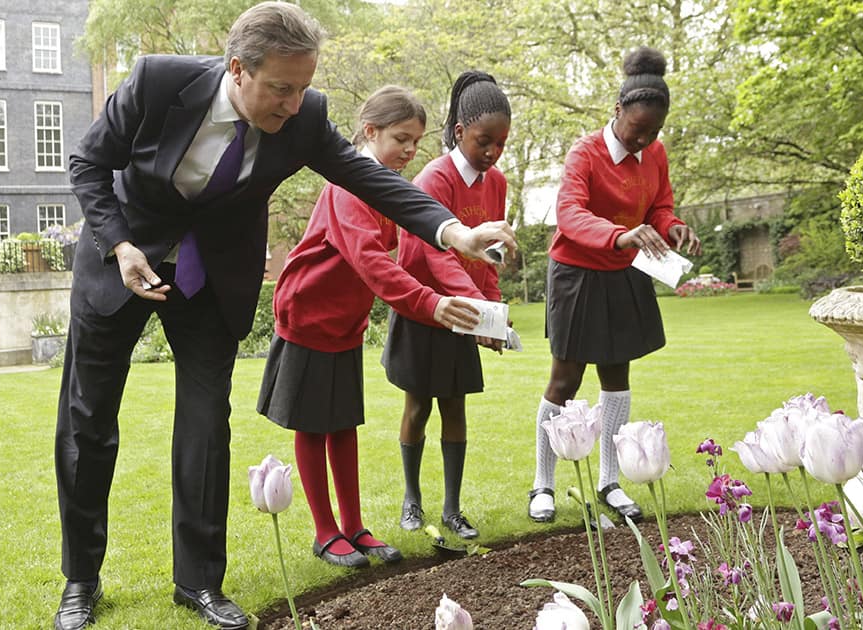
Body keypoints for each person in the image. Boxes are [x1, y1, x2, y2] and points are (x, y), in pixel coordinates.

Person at [52, 4, 516, 630]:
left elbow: (368, 177)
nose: (294, 104)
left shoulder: (304, 117)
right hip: (122, 257)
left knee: (205, 427)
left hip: (210, 281)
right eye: (280, 88)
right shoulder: (157, 83)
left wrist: (452, 232)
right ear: (238, 70)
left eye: (303, 87)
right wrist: (119, 244)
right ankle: (81, 580)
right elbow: (87, 163)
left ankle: (199, 584)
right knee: (88, 420)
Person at [257, 85, 484, 569]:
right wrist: (430, 304)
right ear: (369, 131)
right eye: (401, 137)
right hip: (308, 315)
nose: (409, 149)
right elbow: (371, 263)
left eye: (417, 142)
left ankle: (355, 526)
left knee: (343, 425)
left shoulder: (391, 188)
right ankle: (325, 531)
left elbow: (425, 248)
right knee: (313, 424)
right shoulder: (347, 187)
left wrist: (477, 304)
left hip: (344, 322)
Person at [526, 47, 701, 525]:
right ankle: (543, 484)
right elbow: (571, 214)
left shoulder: (655, 153)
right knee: (565, 379)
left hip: (625, 272)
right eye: (637, 130)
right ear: (617, 110)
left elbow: (660, 205)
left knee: (616, 378)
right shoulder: (585, 152)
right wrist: (620, 234)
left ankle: (610, 482)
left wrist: (673, 226)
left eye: (653, 133)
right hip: (578, 273)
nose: (643, 140)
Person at [384, 71, 511, 541]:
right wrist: (479, 309)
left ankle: (453, 509)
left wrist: (492, 312)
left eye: (501, 143)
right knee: (418, 407)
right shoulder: (433, 178)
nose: (493, 152)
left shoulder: (495, 182)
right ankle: (411, 500)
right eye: (484, 141)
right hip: (427, 309)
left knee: (455, 408)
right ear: (460, 132)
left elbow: (489, 254)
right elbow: (432, 256)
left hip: (468, 311)